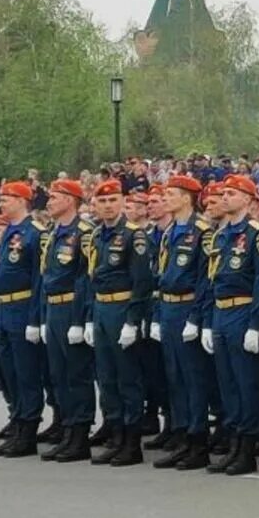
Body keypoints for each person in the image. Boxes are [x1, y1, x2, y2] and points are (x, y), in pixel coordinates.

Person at [204, 175, 259, 475]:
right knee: (228, 383)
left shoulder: (257, 234)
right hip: (221, 312)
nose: (225, 197)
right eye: (224, 193)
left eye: (232, 193)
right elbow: (211, 281)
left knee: (246, 383)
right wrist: (207, 321)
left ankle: (247, 448)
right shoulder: (219, 235)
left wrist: (256, 324)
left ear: (247, 198)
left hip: (243, 311)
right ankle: (233, 443)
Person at [150, 174, 215, 471]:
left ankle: (197, 440)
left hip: (188, 305)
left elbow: (205, 279)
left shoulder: (202, 231)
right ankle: (181, 436)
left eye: (171, 194)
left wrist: (196, 318)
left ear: (187, 197)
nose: (165, 199)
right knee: (174, 377)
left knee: (194, 379)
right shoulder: (169, 231)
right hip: (168, 307)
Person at [87, 181, 154, 467]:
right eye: (102, 202)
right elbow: (92, 278)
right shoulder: (96, 235)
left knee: (128, 378)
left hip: (122, 307)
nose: (108, 206)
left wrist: (132, 321)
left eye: (113, 200)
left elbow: (142, 282)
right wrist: (90, 317)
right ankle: (115, 435)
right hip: (101, 307)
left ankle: (131, 442)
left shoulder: (133, 235)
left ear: (123, 201)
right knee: (106, 377)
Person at [34, 179, 96, 462]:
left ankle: (80, 435)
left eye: (56, 197)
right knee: (58, 374)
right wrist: (43, 316)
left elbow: (85, 278)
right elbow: (45, 278)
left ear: (71, 200)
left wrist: (80, 320)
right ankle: (67, 429)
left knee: (76, 374)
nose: (49, 201)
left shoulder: (84, 233)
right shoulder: (51, 232)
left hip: (73, 306)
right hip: (54, 307)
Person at [0, 181, 47, 457]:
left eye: (7, 198)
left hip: (23, 307)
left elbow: (38, 279)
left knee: (26, 373)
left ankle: (28, 432)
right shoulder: (8, 232)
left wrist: (35, 318)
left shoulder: (34, 233)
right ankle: (18, 424)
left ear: (23, 200)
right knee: (10, 373)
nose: (1, 203)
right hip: (3, 310)